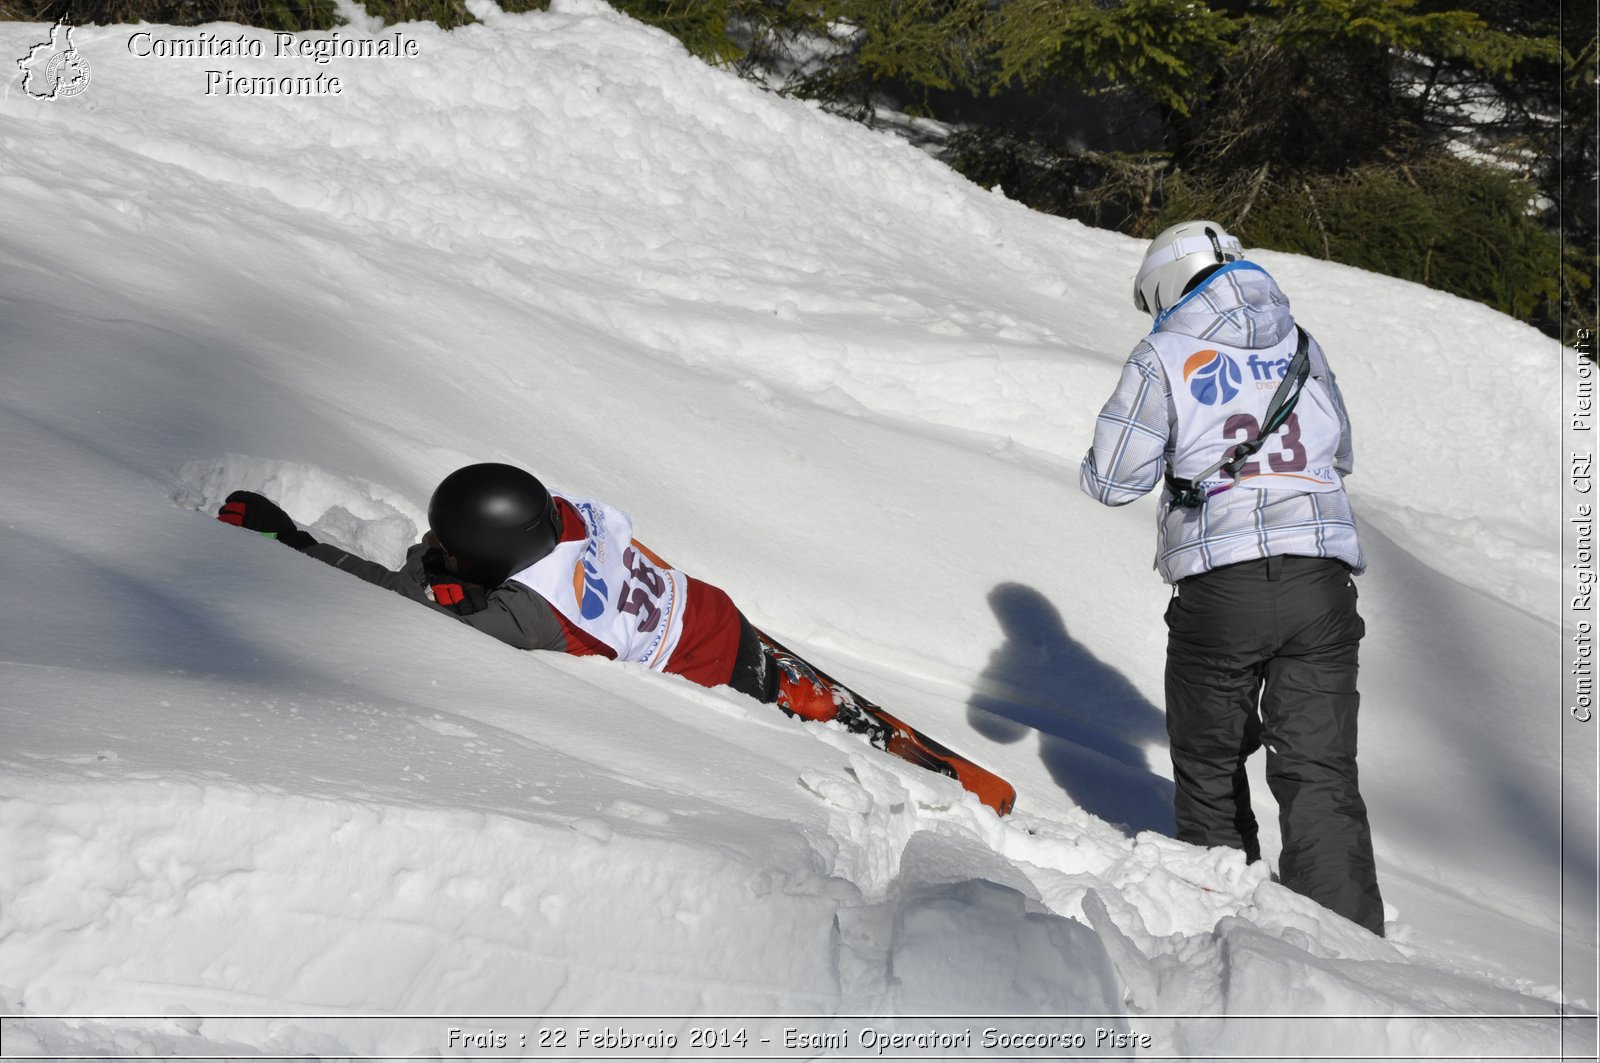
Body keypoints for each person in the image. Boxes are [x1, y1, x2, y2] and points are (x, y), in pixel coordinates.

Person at [217, 463, 1014, 813]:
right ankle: (967, 782)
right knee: (857, 713)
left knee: (855, 732)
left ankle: (973, 798)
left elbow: (399, 602)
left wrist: (295, 544)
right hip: (715, 614)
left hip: (718, 669)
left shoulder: (527, 614)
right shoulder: (561, 515)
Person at [1078, 221, 1384, 935]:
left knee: (1210, 761)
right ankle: (1351, 957)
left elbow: (1115, 480)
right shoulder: (1302, 343)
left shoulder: (1164, 353)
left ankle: (1229, 929)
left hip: (1223, 585)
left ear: (1164, 285)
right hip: (1322, 582)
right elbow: (1339, 454)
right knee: (1321, 772)